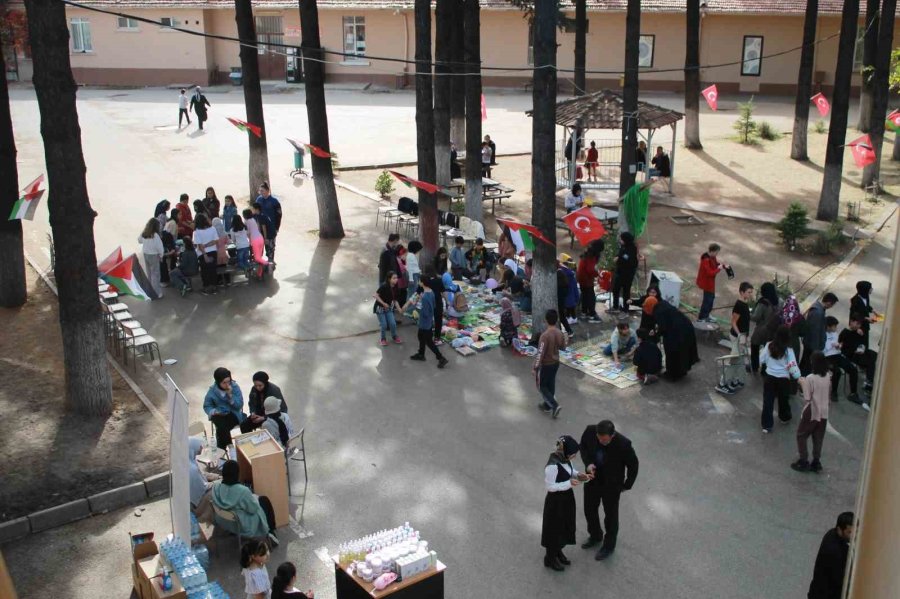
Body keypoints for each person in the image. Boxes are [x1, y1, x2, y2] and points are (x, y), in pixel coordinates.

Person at [579, 420, 639, 561]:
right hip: (592, 480)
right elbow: (583, 447)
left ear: (612, 435)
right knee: (589, 510)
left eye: (604, 439)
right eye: (599, 438)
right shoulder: (589, 431)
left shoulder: (624, 444)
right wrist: (588, 464)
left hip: (611, 486)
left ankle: (608, 546)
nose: (601, 441)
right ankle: (595, 535)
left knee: (611, 517)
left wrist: (626, 485)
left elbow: (633, 465)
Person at [541, 435, 589, 572]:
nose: (573, 457)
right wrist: (568, 483)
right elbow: (550, 487)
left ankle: (558, 551)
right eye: (573, 454)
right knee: (554, 530)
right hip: (555, 502)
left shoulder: (565, 458)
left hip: (566, 498)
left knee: (564, 527)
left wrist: (579, 475)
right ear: (566, 451)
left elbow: (570, 471)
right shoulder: (552, 466)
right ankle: (550, 558)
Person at [213, 461, 279, 546]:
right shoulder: (243, 491)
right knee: (264, 500)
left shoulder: (216, 487)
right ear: (237, 474)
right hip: (242, 525)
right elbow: (253, 509)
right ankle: (270, 531)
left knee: (259, 499)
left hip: (224, 521)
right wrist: (253, 497)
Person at [791, 352, 831, 473]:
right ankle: (816, 461)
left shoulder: (810, 378)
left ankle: (803, 461)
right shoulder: (828, 376)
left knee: (801, 435)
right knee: (818, 437)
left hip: (812, 410)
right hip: (824, 412)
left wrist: (802, 383)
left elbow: (807, 397)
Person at [759, 325, 799, 433]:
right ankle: (784, 417)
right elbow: (793, 366)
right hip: (783, 379)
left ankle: (767, 425)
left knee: (768, 400)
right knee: (783, 399)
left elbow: (761, 359)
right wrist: (798, 377)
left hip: (769, 377)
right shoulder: (789, 350)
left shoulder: (769, 345)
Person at [717, 282, 754, 394]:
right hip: (737, 337)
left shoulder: (745, 303)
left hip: (742, 337)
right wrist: (740, 335)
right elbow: (733, 322)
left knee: (739, 360)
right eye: (749, 292)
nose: (751, 294)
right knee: (733, 360)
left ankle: (733, 380)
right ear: (742, 292)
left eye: (751, 292)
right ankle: (722, 383)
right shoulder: (739, 305)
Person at [834, 314, 877, 408]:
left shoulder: (858, 332)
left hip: (858, 352)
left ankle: (869, 380)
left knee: (873, 355)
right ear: (851, 322)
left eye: (859, 324)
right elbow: (840, 345)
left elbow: (862, 344)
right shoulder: (845, 332)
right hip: (850, 355)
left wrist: (862, 347)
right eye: (856, 323)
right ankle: (867, 384)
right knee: (868, 362)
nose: (858, 326)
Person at [808, 512, 854, 599]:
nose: (853, 535)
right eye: (849, 532)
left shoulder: (831, 533)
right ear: (840, 530)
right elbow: (839, 580)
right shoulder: (834, 551)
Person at [203, 367, 250, 449]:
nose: (227, 385)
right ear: (218, 382)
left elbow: (239, 405)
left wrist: (230, 396)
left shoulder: (234, 387)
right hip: (219, 414)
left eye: (229, 381)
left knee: (220, 429)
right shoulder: (212, 391)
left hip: (233, 414)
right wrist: (214, 411)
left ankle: (225, 449)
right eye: (224, 383)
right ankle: (229, 448)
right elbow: (207, 405)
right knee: (219, 421)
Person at [652, 300, 700, 379]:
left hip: (676, 334)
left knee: (673, 353)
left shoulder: (658, 312)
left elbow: (663, 327)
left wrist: (656, 334)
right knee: (684, 352)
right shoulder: (664, 305)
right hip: (686, 328)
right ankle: (683, 370)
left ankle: (673, 375)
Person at [409, 276, 448, 368]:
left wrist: (418, 313)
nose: (418, 282)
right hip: (429, 320)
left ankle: (441, 358)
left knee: (428, 341)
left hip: (424, 322)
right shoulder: (431, 292)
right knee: (421, 336)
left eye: (419, 281)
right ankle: (421, 354)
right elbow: (434, 305)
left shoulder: (425, 297)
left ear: (422, 283)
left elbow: (425, 313)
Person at [534, 310, 566, 419]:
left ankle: (554, 405)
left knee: (542, 386)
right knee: (551, 384)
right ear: (556, 320)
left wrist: (535, 367)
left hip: (547, 364)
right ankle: (547, 405)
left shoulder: (545, 336)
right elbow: (563, 347)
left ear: (546, 320)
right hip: (556, 363)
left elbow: (540, 353)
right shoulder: (559, 333)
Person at [801, 292, 838, 375]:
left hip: (810, 344)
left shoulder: (818, 309)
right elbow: (815, 332)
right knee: (807, 367)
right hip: (812, 346)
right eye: (832, 305)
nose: (831, 307)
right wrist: (816, 350)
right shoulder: (818, 313)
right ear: (829, 303)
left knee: (805, 365)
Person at [750, 282, 781, 373]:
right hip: (773, 330)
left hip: (762, 329)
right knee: (768, 349)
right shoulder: (779, 301)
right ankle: (765, 369)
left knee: (754, 345)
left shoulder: (763, 303)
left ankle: (755, 367)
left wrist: (749, 314)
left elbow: (756, 317)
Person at [188, 437, 219, 522]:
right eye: (199, 446)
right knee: (219, 489)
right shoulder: (191, 469)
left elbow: (202, 474)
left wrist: (214, 476)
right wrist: (217, 482)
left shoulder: (189, 461)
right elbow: (203, 488)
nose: (201, 448)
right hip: (198, 503)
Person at [695, 243, 727, 322]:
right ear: (712, 251)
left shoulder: (712, 257)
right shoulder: (705, 260)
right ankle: (702, 317)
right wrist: (719, 269)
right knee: (707, 300)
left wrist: (722, 265)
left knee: (711, 299)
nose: (717, 254)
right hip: (706, 283)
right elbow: (710, 273)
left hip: (710, 283)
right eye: (716, 252)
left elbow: (715, 264)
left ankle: (707, 314)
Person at [611, 232, 638, 312]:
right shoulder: (624, 246)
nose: (620, 240)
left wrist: (619, 258)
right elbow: (620, 253)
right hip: (620, 271)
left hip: (627, 274)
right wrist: (617, 256)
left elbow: (627, 259)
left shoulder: (632, 249)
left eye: (622, 239)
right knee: (616, 289)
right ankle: (615, 306)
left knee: (626, 291)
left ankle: (625, 308)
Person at [193, 213, 219, 295]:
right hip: (213, 252)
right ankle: (214, 287)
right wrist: (207, 245)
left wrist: (204, 254)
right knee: (213, 269)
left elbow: (200, 246)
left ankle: (207, 288)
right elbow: (216, 241)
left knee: (205, 271)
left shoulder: (196, 232)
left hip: (202, 254)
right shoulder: (213, 229)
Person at [138, 218, 164, 299]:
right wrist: (161, 255)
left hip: (146, 254)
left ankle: (149, 291)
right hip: (154, 255)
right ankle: (157, 293)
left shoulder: (145, 234)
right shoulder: (156, 236)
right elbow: (160, 247)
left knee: (149, 274)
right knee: (155, 275)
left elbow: (139, 240)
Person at [374, 272, 402, 346]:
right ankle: (383, 339)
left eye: (396, 278)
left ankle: (394, 336)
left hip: (389, 308)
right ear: (389, 279)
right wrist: (383, 303)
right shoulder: (384, 286)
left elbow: (395, 300)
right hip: (380, 309)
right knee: (384, 325)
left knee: (393, 323)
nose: (396, 280)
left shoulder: (396, 287)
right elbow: (376, 295)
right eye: (394, 278)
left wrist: (399, 308)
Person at [256, 183, 282, 262]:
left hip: (270, 228)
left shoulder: (274, 202)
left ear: (268, 191)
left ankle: (270, 262)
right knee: (259, 247)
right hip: (260, 228)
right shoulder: (259, 200)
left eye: (262, 191)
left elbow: (279, 215)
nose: (261, 192)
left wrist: (277, 227)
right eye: (260, 191)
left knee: (270, 248)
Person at [576, 241, 602, 321]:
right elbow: (590, 270)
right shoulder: (591, 256)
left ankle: (584, 312)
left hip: (582, 277)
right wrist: (597, 274)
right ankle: (592, 314)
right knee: (591, 297)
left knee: (585, 295)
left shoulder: (587, 253)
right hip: (586, 279)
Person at [849, 281, 878, 350]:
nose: (871, 289)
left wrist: (873, 311)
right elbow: (854, 315)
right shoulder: (855, 300)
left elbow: (866, 306)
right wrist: (866, 319)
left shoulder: (866, 296)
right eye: (870, 288)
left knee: (865, 344)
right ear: (865, 290)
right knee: (859, 346)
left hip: (865, 326)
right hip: (858, 326)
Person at [555, 264, 574, 337]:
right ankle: (568, 331)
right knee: (561, 316)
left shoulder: (558, 274)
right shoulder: (562, 274)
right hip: (562, 300)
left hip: (559, 300)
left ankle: (568, 331)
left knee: (560, 316)